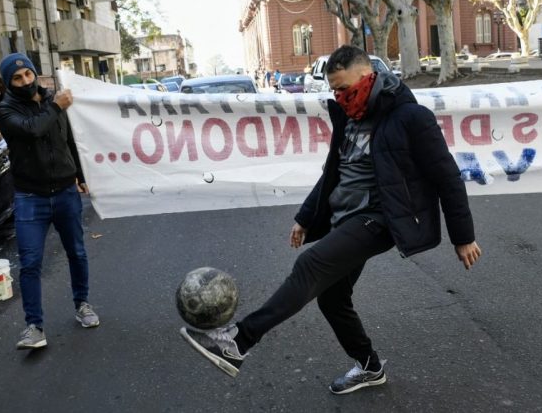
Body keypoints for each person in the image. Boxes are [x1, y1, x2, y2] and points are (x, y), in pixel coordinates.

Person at [180, 45, 481, 394]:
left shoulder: (411, 118)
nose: (340, 97)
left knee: (311, 264)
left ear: (369, 78)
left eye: (345, 89)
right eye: (334, 90)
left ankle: (238, 342)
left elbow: (447, 177)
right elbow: (333, 174)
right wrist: (306, 217)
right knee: (332, 298)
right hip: (347, 218)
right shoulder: (348, 118)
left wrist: (464, 236)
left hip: (381, 218)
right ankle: (369, 367)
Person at [0, 53, 99, 350]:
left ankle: (83, 305)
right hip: (30, 198)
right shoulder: (4, 110)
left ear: (35, 73)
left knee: (76, 252)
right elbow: (32, 128)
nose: (25, 81)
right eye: (17, 78)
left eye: (28, 74)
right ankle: (34, 327)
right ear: (8, 83)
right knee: (29, 263)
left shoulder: (56, 102)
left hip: (65, 192)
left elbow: (70, 141)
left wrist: (80, 175)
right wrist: (56, 106)